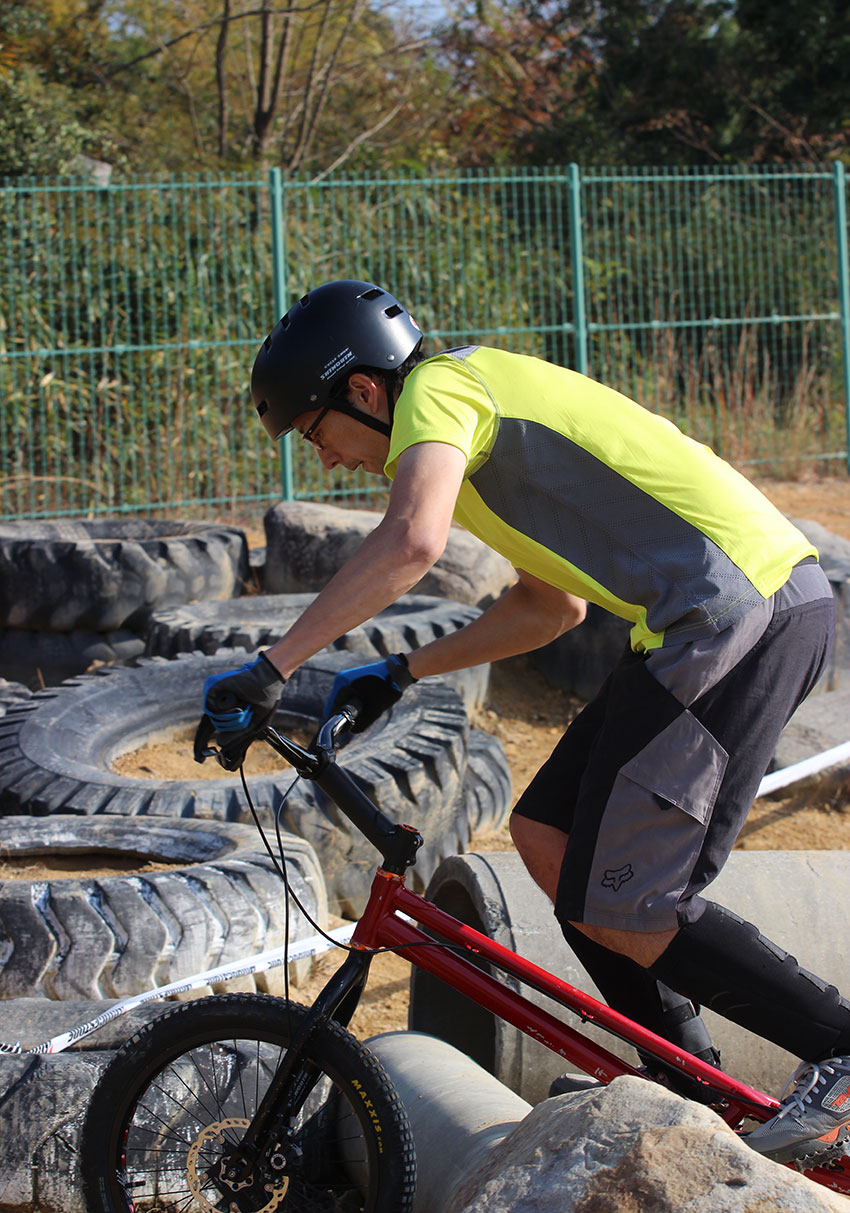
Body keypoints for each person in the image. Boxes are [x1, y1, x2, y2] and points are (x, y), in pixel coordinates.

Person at [200, 278, 850, 1166]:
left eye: (315, 434)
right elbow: (552, 609)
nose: (324, 461)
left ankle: (842, 1053)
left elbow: (410, 543)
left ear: (363, 391)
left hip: (745, 614)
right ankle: (687, 1080)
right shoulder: (469, 436)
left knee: (632, 899)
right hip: (690, 630)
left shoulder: (444, 390)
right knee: (546, 835)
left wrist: (274, 665)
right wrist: (400, 671)